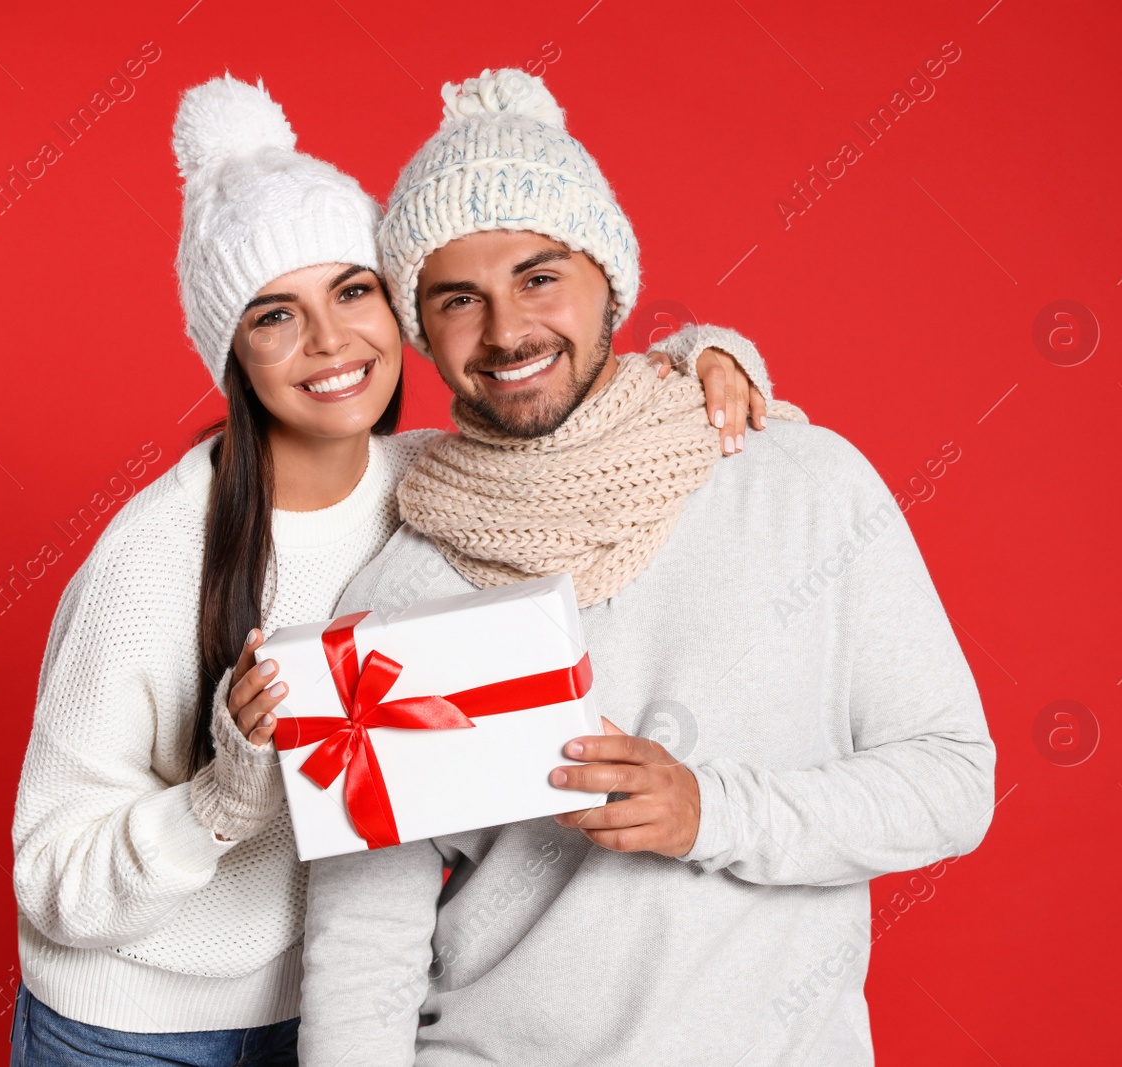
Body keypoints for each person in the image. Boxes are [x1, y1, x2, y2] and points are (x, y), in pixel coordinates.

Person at [7, 74, 801, 1067]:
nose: (332, 343)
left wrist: (703, 354)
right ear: (231, 354)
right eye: (275, 316)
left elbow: (591, 411)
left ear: (402, 308)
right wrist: (222, 796)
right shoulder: (155, 554)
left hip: (362, 1001)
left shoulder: (439, 480)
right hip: (143, 1025)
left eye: (353, 292)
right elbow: (49, 878)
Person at [295, 69, 997, 1066]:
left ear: (607, 278)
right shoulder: (397, 588)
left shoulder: (801, 482)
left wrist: (708, 809)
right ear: (421, 327)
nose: (505, 331)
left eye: (540, 277)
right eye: (459, 298)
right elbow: (362, 942)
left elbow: (951, 779)